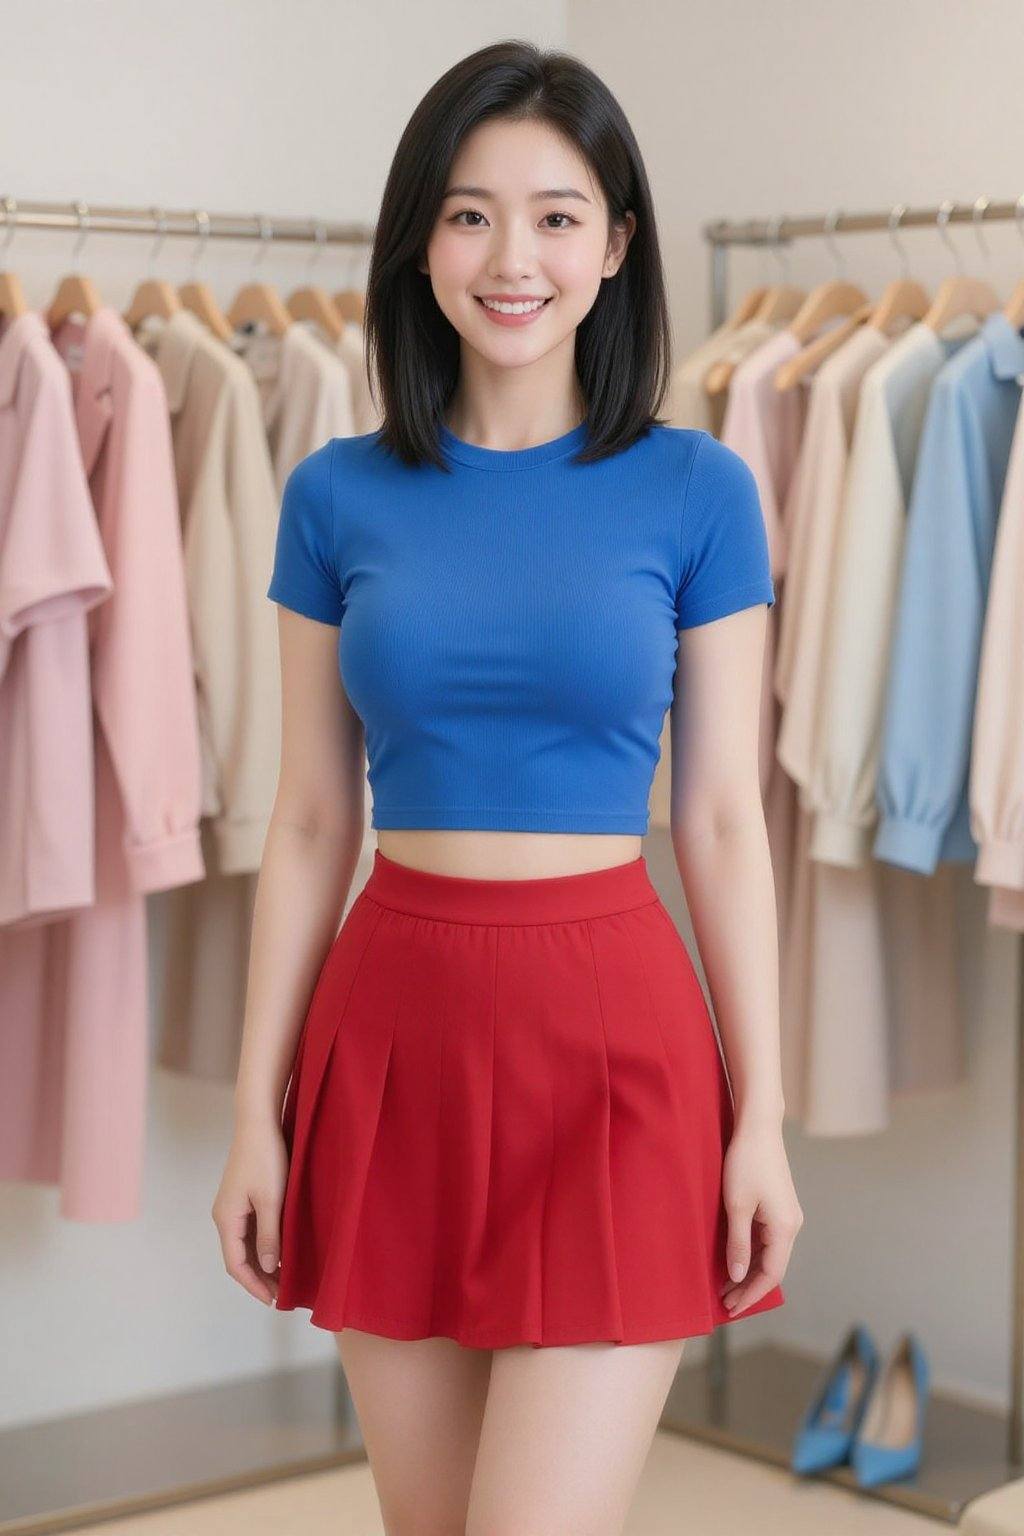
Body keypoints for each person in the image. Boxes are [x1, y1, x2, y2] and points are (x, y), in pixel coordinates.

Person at [212, 37, 802, 1536]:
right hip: (390, 1039)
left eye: (556, 215)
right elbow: (310, 820)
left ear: (617, 245)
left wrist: (764, 1117)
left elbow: (721, 820)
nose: (512, 257)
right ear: (421, 243)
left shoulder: (700, 491)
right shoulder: (333, 494)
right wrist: (254, 1111)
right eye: (470, 214)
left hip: (617, 1053)